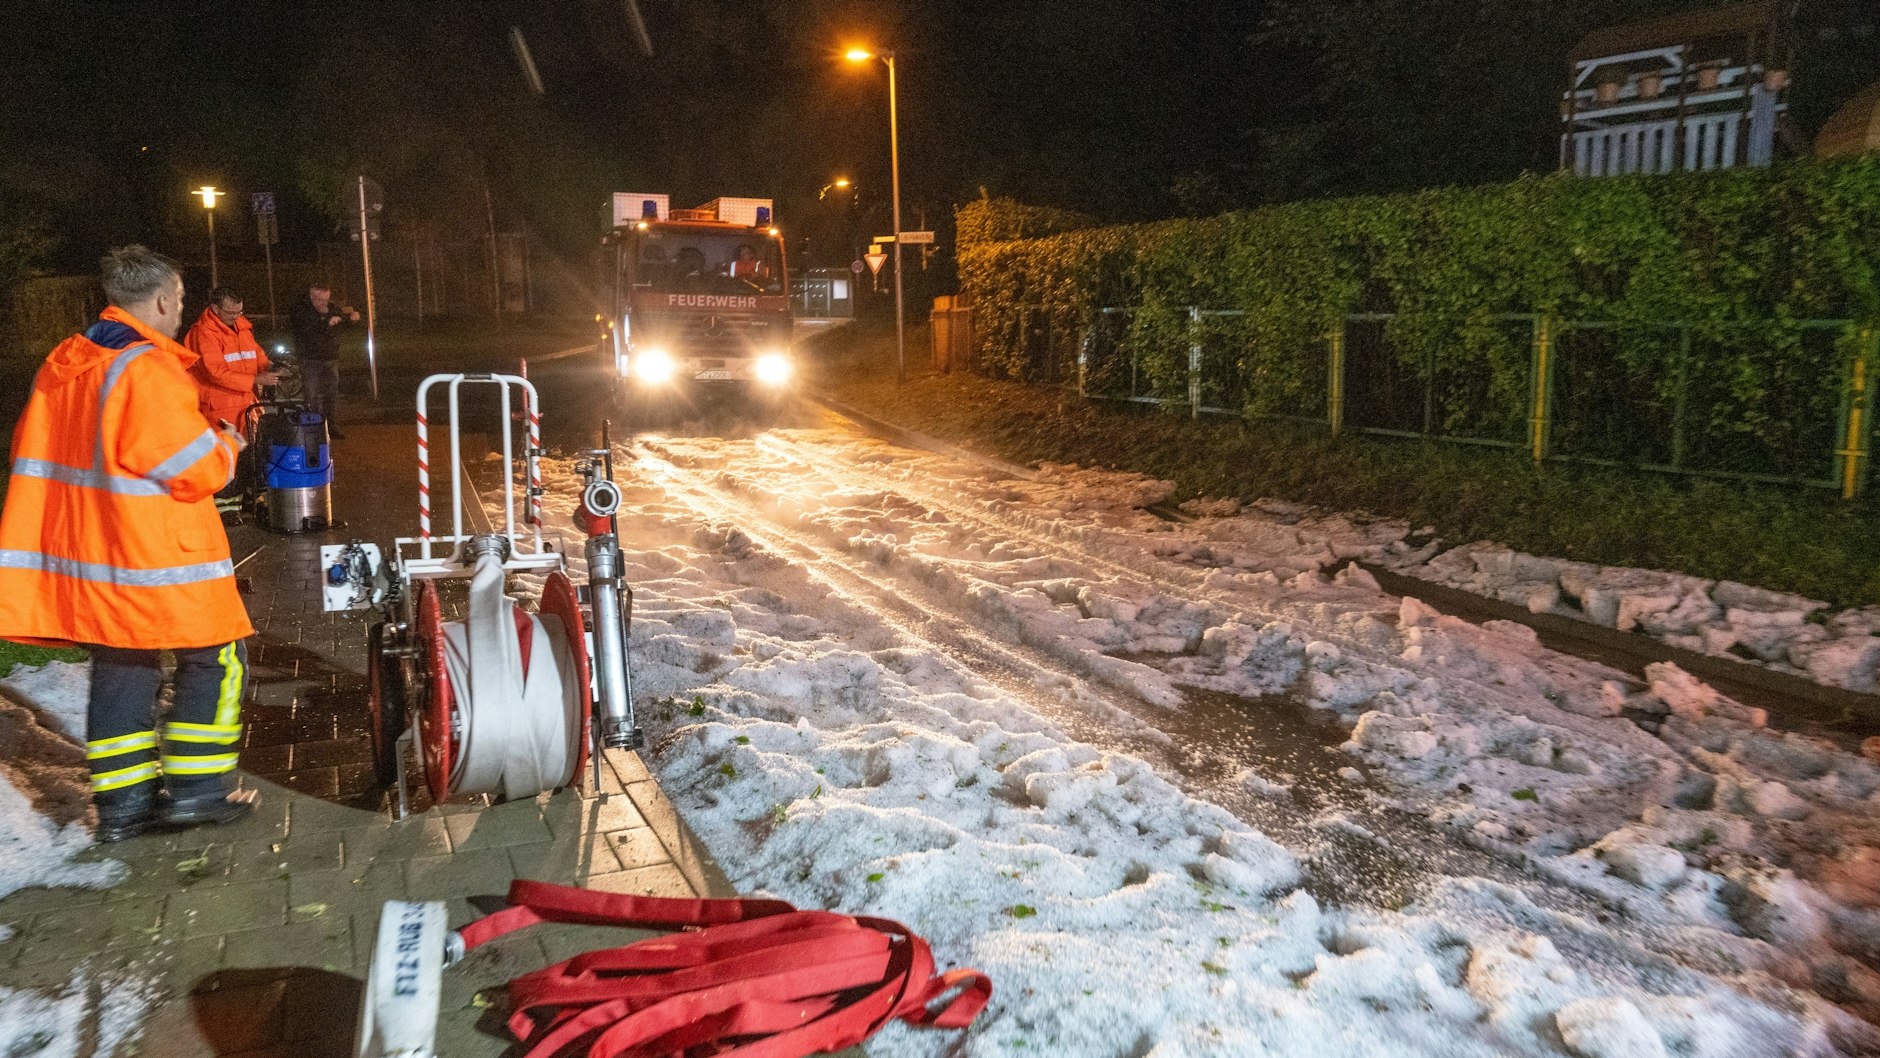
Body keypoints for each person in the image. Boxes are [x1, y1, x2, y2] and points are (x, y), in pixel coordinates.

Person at [0, 246, 259, 841]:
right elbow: (191, 467)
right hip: (158, 557)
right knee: (217, 659)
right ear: (165, 299)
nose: (179, 314)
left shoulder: (66, 362)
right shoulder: (145, 368)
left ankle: (123, 809)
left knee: (122, 670)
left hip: (94, 557)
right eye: (181, 302)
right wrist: (224, 445)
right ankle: (199, 791)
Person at [289, 283, 357, 439]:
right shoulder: (301, 310)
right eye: (320, 299)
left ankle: (330, 427)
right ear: (312, 297)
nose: (324, 303)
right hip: (310, 359)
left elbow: (341, 323)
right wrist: (326, 323)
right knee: (311, 395)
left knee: (331, 394)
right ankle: (312, 428)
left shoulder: (331, 308)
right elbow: (305, 330)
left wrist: (351, 320)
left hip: (330, 358)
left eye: (326, 299)